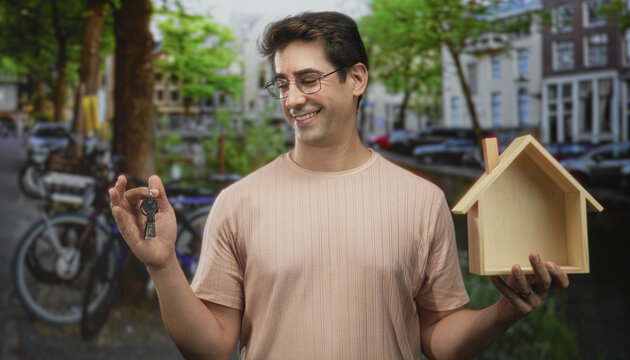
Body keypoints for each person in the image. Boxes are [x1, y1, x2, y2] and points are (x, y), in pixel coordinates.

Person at [109, 11, 569, 360]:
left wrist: (505, 312)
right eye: (282, 83)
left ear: (357, 79)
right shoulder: (237, 202)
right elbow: (211, 346)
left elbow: (438, 336)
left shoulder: (423, 201)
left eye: (309, 80)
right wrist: (164, 264)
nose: (292, 99)